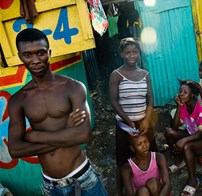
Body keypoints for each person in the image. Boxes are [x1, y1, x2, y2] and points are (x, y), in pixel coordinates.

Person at [8, 28, 108, 195]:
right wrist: (67, 133)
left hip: (83, 178)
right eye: (28, 55)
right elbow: (15, 150)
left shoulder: (73, 87)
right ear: (20, 57)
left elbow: (83, 135)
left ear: (49, 52)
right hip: (50, 185)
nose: (35, 60)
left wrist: (35, 136)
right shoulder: (19, 100)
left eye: (40, 53)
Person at [109, 37, 157, 195]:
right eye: (128, 52)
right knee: (123, 159)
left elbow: (150, 99)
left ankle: (153, 186)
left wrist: (147, 120)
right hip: (124, 124)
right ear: (121, 54)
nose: (131, 55)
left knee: (149, 154)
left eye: (135, 52)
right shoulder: (116, 75)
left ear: (139, 53)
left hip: (144, 123)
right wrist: (129, 122)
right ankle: (121, 191)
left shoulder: (145, 74)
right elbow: (114, 102)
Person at [165, 80, 202, 196]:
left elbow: (201, 133)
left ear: (193, 94)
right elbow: (174, 126)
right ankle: (179, 161)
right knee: (169, 132)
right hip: (193, 134)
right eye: (180, 92)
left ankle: (193, 181)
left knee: (187, 146)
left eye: (185, 92)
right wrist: (178, 106)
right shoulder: (184, 105)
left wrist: (184, 140)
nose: (181, 94)